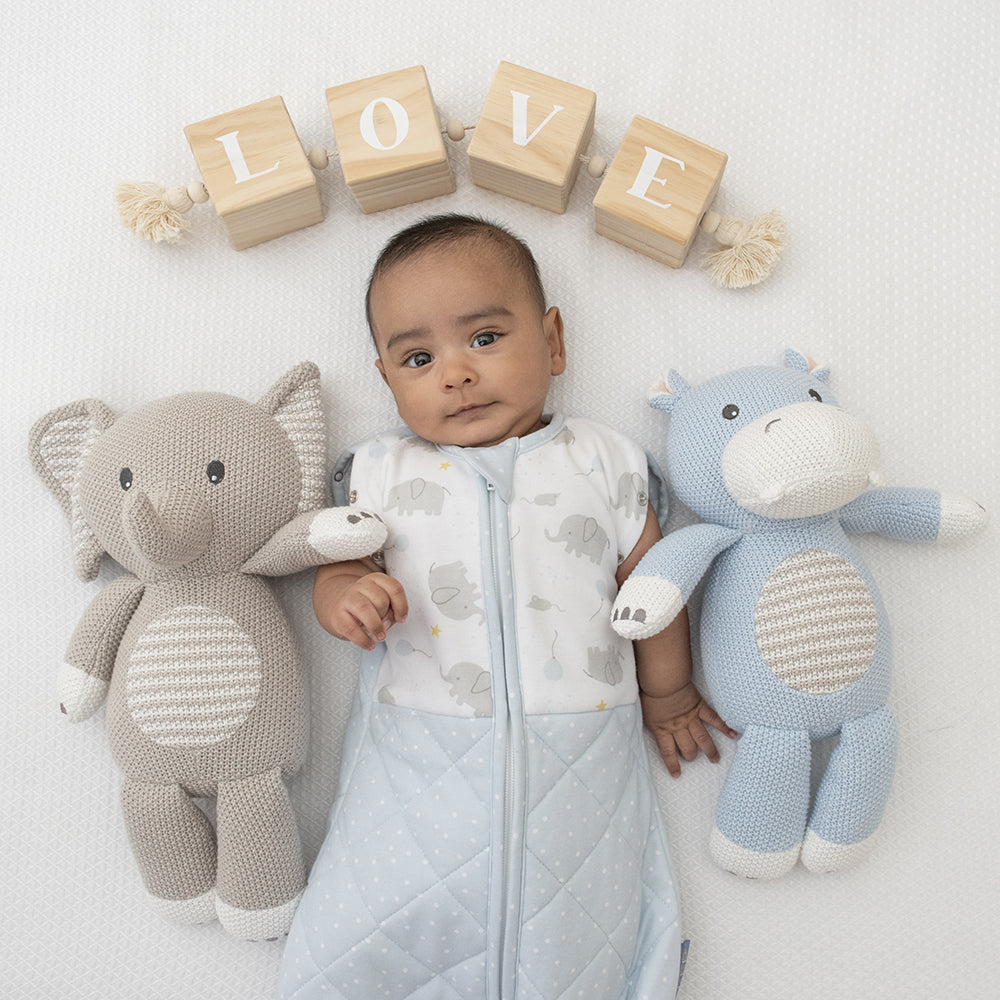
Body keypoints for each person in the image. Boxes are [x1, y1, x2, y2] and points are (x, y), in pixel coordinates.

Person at [277, 214, 733, 1000]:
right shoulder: (381, 472)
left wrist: (669, 692)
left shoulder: (605, 462)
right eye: (418, 358)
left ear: (553, 341)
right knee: (377, 905)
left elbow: (651, 590)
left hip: (583, 745)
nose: (455, 373)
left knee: (582, 917)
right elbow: (336, 569)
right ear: (386, 379)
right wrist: (346, 597)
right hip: (416, 757)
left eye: (484, 338)